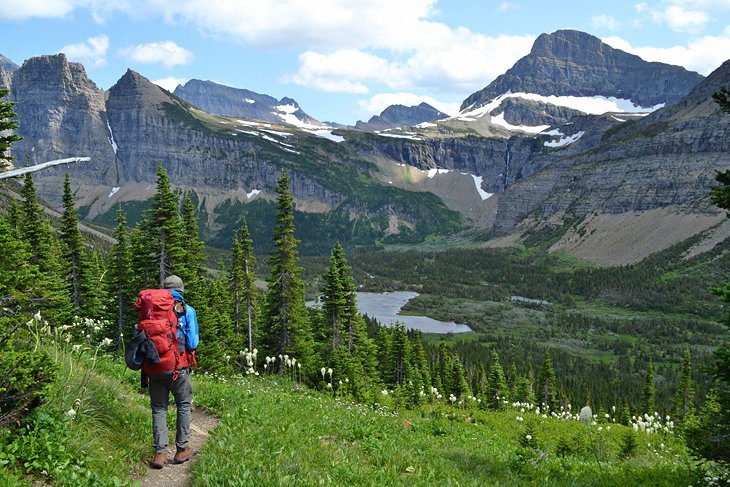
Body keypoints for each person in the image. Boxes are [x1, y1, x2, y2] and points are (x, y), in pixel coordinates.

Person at [148, 275, 200, 469]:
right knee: (183, 404)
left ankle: (160, 454)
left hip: (154, 366)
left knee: (159, 408)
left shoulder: (152, 309)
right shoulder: (188, 310)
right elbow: (193, 342)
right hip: (178, 367)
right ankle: (181, 449)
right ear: (181, 290)